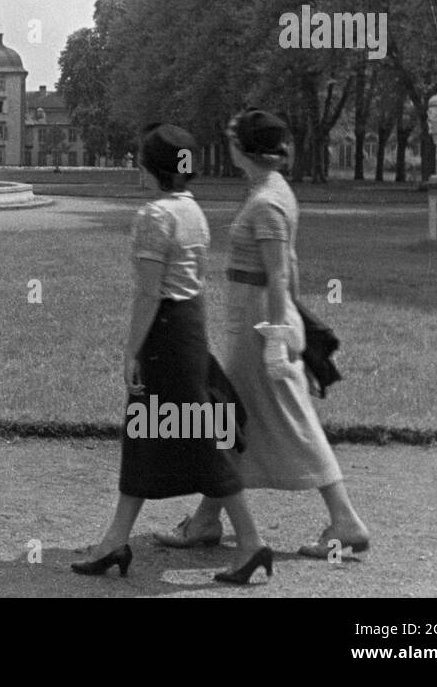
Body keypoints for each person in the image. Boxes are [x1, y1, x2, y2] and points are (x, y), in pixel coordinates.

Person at [155, 110, 370, 560]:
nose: (227, 140)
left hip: (258, 322)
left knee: (263, 419)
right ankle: (208, 519)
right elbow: (289, 268)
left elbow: (276, 274)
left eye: (232, 136)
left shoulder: (267, 201)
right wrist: (290, 320)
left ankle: (345, 519)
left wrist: (276, 335)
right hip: (258, 317)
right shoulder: (269, 191)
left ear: (243, 148)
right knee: (238, 420)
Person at [71, 123, 271, 584]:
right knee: (148, 434)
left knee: (200, 438)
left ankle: (252, 543)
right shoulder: (193, 211)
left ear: (150, 167)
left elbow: (148, 293)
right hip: (191, 328)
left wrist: (131, 350)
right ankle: (114, 541)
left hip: (165, 334)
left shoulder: (154, 216)